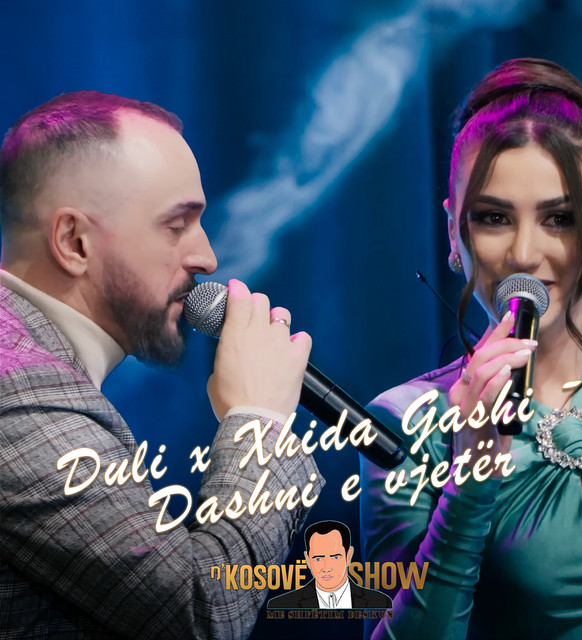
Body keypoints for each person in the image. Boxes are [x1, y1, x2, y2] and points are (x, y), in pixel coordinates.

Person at [0, 91, 323, 639]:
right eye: (176, 225)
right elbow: (204, 611)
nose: (207, 258)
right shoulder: (17, 391)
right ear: (74, 241)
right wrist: (260, 420)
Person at [360, 58, 582, 639]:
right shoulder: (403, 423)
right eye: (493, 217)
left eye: (559, 218)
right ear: (453, 232)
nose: (525, 254)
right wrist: (470, 478)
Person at [267, 520, 392, 609]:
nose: (326, 568)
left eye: (335, 557)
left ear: (348, 556)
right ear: (308, 560)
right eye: (318, 559)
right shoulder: (281, 605)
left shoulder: (380, 602)